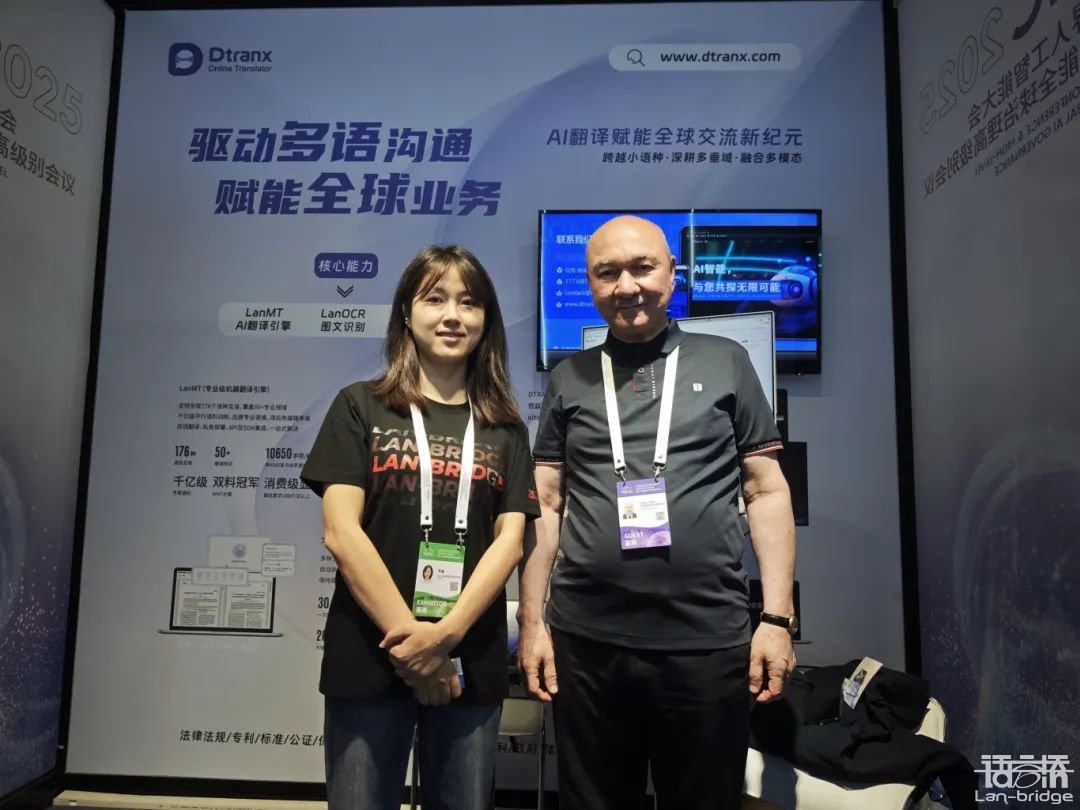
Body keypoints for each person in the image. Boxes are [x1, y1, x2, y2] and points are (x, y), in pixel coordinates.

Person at [518, 216, 798, 810]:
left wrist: (776, 619)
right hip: (586, 641)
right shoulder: (569, 377)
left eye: (642, 267)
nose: (626, 286)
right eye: (607, 273)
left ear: (673, 273)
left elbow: (766, 491)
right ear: (591, 284)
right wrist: (533, 623)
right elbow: (547, 501)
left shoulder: (726, 362)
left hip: (706, 639)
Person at [301, 245, 540, 810]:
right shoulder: (360, 407)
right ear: (406, 314)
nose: (452, 315)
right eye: (435, 299)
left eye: (469, 302)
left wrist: (444, 639)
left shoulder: (505, 427)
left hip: (467, 656)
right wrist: (416, 646)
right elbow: (341, 533)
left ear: (486, 320)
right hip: (371, 651)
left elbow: (510, 543)